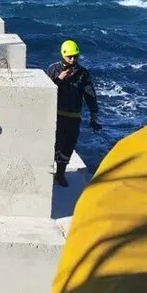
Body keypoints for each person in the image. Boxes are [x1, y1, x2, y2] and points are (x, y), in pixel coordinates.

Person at [47, 39, 102, 187]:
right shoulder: (53, 69)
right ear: (62, 55)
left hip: (73, 117)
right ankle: (49, 172)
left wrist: (94, 115)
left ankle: (60, 174)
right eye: (69, 56)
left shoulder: (83, 73)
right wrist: (59, 79)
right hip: (57, 115)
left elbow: (90, 94)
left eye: (75, 56)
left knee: (68, 146)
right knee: (56, 145)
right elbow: (47, 92)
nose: (72, 59)